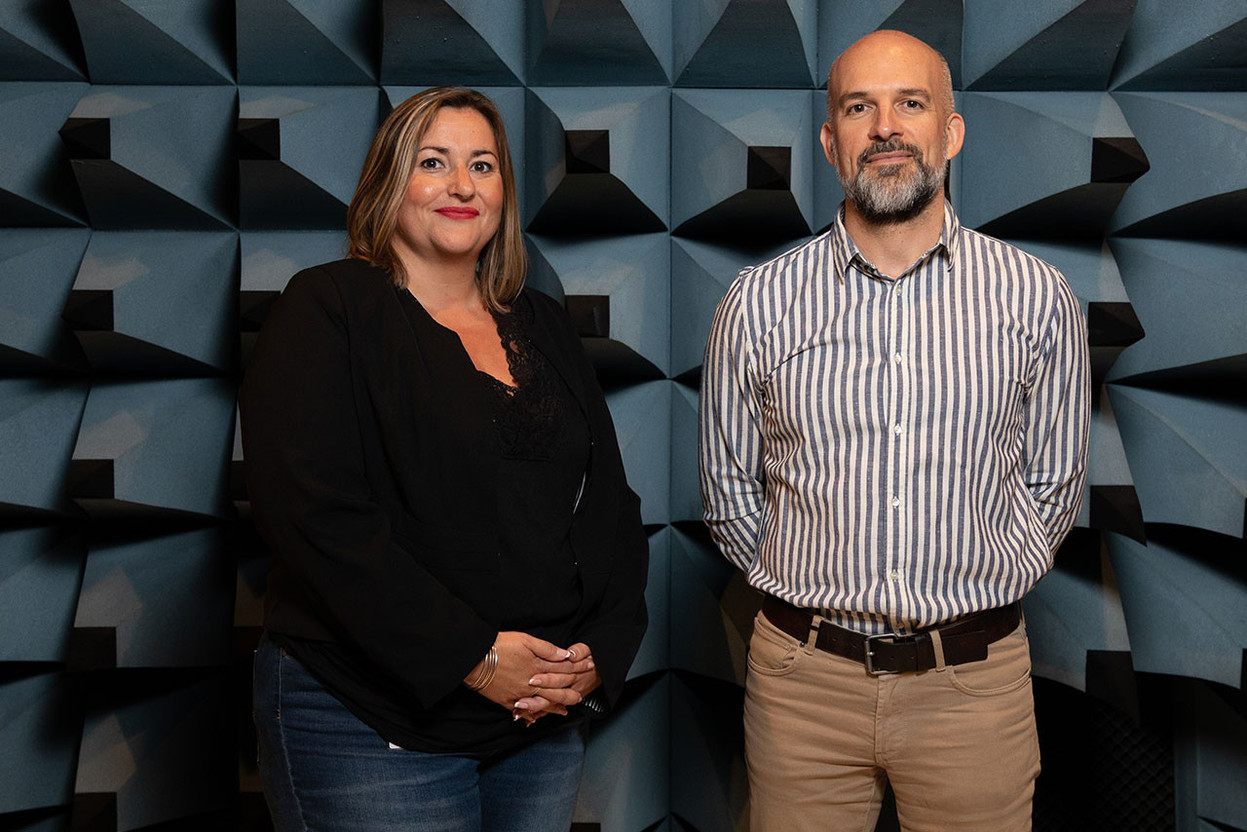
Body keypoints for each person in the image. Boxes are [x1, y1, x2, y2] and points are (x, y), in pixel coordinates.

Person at [698, 30, 1090, 832]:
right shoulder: (756, 301)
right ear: (829, 140)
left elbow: (1053, 485)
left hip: (973, 688)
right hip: (802, 687)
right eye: (858, 107)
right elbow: (729, 493)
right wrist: (809, 595)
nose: (885, 127)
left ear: (949, 132)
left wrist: (976, 583)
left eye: (910, 103)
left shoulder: (1036, 297)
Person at [240, 87, 648, 832]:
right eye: (434, 162)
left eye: (483, 166)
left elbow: (610, 508)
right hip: (368, 720)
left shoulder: (545, 326)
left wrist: (598, 655)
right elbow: (314, 516)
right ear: (390, 181)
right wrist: (475, 657)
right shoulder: (326, 308)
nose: (462, 186)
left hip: (537, 723)